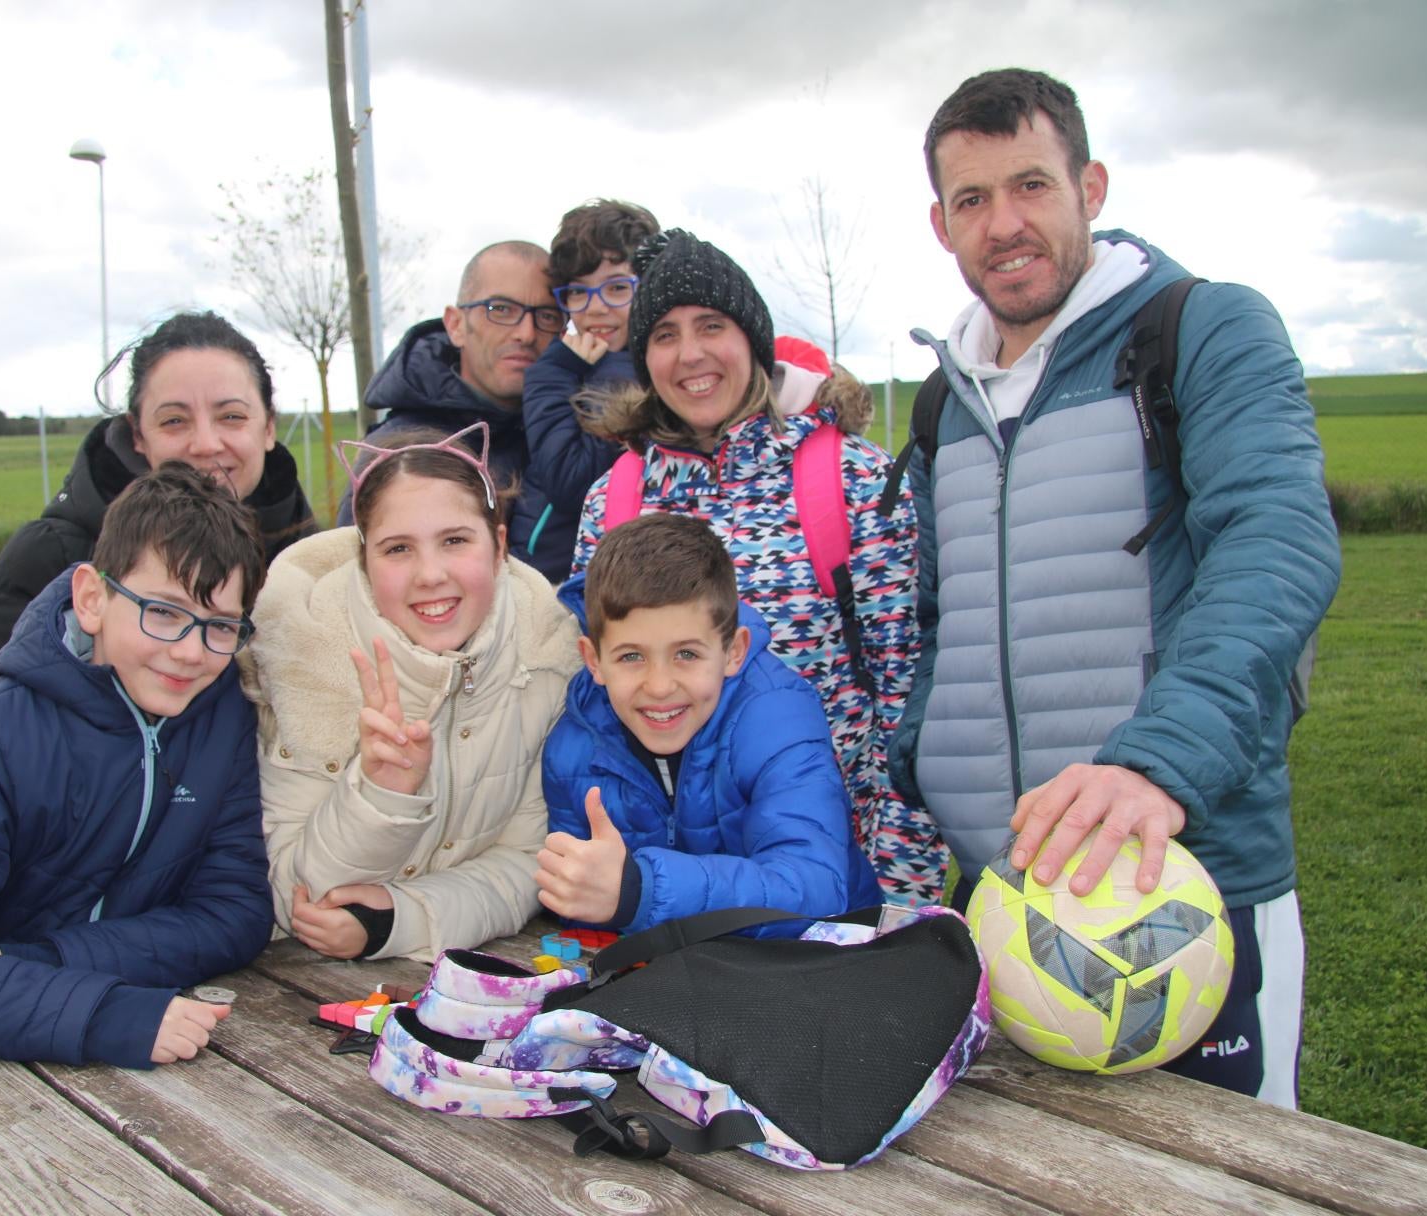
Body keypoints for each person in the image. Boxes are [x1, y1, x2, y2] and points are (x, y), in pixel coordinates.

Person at [895, 68, 1341, 1106]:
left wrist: (1158, 765)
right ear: (940, 223)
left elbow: (1274, 543)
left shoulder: (1200, 329)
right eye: (972, 200)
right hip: (1000, 911)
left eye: (1032, 185)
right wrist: (929, 756)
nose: (1004, 224)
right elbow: (936, 618)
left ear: (1090, 186)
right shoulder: (939, 402)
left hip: (1181, 896)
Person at [0, 311, 315, 940]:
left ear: (267, 428)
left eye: (231, 416)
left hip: (226, 909)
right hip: (47, 911)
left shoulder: (310, 563)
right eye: (175, 419)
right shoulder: (60, 551)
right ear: (138, 436)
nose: (206, 443)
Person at [572, 229, 943, 908]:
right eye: (665, 334)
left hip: (830, 876)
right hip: (664, 892)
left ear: (754, 340)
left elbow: (906, 693)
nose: (691, 355)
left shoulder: (850, 481)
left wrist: (902, 895)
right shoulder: (613, 501)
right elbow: (598, 704)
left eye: (712, 326)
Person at [0, 464, 272, 1071]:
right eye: (162, 612)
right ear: (91, 599)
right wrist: (109, 1013)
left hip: (111, 1044)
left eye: (219, 626)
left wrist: (53, 960)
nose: (191, 651)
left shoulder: (222, 719)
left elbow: (233, 912)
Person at [242, 423, 581, 962]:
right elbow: (296, 896)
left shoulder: (545, 660)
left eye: (454, 540)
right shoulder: (305, 658)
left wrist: (398, 919)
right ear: (364, 559)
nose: (430, 574)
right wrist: (381, 794)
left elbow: (526, 859)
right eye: (397, 548)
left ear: (497, 545)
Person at [539, 513, 881, 934]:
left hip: (825, 964)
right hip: (679, 976)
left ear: (734, 650)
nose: (660, 686)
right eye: (631, 656)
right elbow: (577, 900)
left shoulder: (778, 719)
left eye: (686, 654)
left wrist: (640, 890)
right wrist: (590, 890)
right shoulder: (573, 749)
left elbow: (814, 889)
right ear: (594, 660)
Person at [348, 241, 576, 580]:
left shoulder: (579, 438)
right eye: (500, 309)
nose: (526, 333)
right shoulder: (397, 450)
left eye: (546, 316)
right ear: (455, 324)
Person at [520, 200, 660, 576]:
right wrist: (592, 370)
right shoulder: (564, 369)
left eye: (617, 287)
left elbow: (574, 481)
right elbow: (567, 478)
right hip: (550, 574)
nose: (595, 309)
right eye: (578, 293)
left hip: (617, 575)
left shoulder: (657, 369)